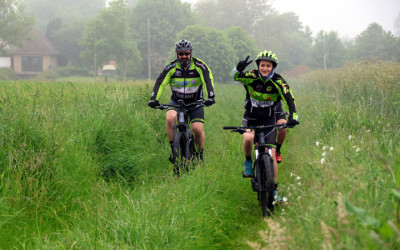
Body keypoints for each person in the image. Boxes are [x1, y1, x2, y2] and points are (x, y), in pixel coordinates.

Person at [230, 50, 299, 198]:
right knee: (248, 138)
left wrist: (293, 116)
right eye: (262, 65)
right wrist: (238, 68)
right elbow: (235, 77)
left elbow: (289, 98)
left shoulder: (278, 81)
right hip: (251, 117)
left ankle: (274, 190)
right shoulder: (252, 76)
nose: (265, 68)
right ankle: (248, 162)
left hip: (269, 118)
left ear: (273, 67)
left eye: (268, 66)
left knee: (271, 154)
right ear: (258, 66)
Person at [148, 39, 215, 161]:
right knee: (169, 118)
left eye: (186, 53)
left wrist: (211, 96)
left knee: (197, 129)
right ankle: (174, 150)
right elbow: (160, 83)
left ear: (191, 53)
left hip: (196, 103)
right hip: (176, 102)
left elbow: (207, 80)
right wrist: (154, 99)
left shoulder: (200, 65)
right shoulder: (171, 67)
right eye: (181, 54)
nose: (184, 56)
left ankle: (200, 155)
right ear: (177, 54)